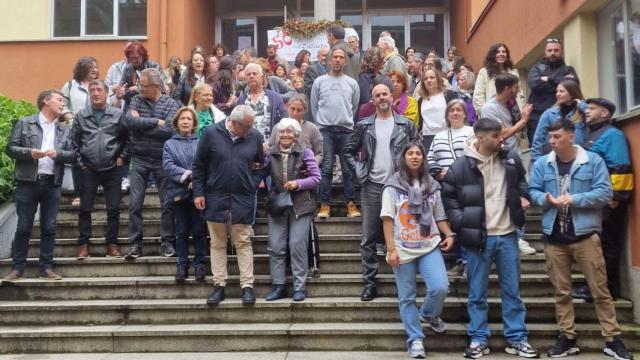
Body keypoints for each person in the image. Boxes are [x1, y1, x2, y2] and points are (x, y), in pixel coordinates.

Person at [528, 119, 634, 360]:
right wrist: (546, 198)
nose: (551, 141)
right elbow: (532, 191)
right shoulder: (543, 164)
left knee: (600, 290)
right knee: (561, 292)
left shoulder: (592, 160)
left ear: (571, 136)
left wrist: (574, 199)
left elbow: (605, 192)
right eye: (550, 137)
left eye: (556, 137)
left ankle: (612, 339)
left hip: (585, 236)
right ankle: (568, 337)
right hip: (554, 237)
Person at [441, 117, 539, 359]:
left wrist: (524, 197)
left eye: (501, 135)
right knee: (476, 293)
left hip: (507, 235)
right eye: (496, 136)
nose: (501, 139)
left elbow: (523, 185)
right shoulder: (460, 167)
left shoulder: (512, 159)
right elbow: (449, 200)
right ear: (480, 137)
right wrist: (463, 222)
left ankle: (517, 338)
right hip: (479, 239)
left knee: (512, 291)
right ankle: (478, 338)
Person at [345, 83, 420, 301]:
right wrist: (360, 171)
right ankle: (369, 283)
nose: (381, 97)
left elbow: (417, 151)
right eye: (377, 95)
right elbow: (348, 150)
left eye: (384, 93)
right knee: (368, 237)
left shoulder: (405, 125)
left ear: (391, 96)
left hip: (400, 186)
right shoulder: (364, 125)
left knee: (404, 233)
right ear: (373, 99)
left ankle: (405, 283)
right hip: (372, 186)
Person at [381, 142, 453, 359]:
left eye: (418, 153)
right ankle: (415, 339)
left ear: (424, 157)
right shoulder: (392, 186)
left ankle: (429, 314)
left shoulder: (432, 185)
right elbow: (387, 218)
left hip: (429, 245)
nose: (414, 156)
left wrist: (449, 234)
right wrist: (391, 249)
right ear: (403, 158)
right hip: (402, 248)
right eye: (410, 153)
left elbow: (438, 216)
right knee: (407, 297)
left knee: (440, 287)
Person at [192, 105, 264, 306]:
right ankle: (219, 285)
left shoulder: (254, 137)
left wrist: (252, 184)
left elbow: (262, 164)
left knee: (243, 242)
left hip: (242, 198)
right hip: (215, 197)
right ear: (234, 122)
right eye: (247, 127)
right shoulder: (211, 133)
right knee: (217, 243)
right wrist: (198, 192)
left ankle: (247, 286)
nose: (250, 131)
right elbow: (198, 165)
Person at [3, 90, 75, 281]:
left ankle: (46, 268)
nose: (62, 105)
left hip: (52, 182)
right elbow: (10, 149)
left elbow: (73, 155)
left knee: (49, 227)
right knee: (24, 226)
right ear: (46, 101)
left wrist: (57, 154)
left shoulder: (63, 129)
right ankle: (17, 269)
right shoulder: (25, 122)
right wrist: (29, 153)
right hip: (28, 182)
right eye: (59, 100)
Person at [575, 97, 634, 302]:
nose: (587, 111)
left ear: (605, 114)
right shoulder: (591, 133)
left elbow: (621, 166)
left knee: (607, 244)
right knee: (594, 244)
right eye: (587, 107)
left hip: (607, 200)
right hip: (593, 199)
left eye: (592, 108)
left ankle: (607, 288)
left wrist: (616, 197)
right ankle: (593, 285)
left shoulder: (613, 134)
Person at [124, 68, 180, 259]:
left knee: (167, 203)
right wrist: (156, 121)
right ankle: (135, 244)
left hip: (162, 159)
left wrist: (143, 125)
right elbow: (130, 122)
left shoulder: (171, 103)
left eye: (144, 86)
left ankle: (167, 242)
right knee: (135, 204)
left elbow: (170, 130)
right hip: (138, 158)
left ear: (156, 86)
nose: (140, 88)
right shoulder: (136, 100)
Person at [264, 118, 321, 302]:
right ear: (278, 134)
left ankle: (299, 287)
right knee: (275, 246)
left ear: (296, 134)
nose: (286, 135)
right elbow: (260, 171)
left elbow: (316, 177)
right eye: (282, 132)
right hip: (278, 204)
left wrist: (298, 183)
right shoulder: (270, 153)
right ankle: (278, 285)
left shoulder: (306, 153)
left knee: (297, 245)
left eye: (290, 132)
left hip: (301, 204)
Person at [480, 73, 536, 256]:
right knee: (508, 195)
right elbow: (501, 134)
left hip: (514, 155)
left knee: (521, 195)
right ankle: (516, 238)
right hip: (499, 157)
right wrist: (524, 120)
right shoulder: (490, 109)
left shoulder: (511, 105)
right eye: (515, 87)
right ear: (506, 89)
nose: (518, 89)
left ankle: (519, 235)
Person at [72, 80, 128, 260]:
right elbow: (74, 143)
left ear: (106, 93)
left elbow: (128, 139)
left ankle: (112, 244)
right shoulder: (81, 116)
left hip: (113, 168)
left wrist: (122, 157)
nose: (95, 93)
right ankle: (83, 245)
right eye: (92, 90)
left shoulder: (118, 114)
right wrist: (81, 163)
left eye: (99, 90)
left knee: (113, 209)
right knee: (85, 209)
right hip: (88, 169)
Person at [311, 47, 361, 219]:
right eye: (335, 57)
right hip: (325, 130)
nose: (338, 60)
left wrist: (345, 119)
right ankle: (325, 205)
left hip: (346, 130)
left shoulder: (352, 83)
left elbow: (353, 107)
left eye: (341, 57)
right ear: (329, 60)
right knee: (326, 168)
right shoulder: (319, 82)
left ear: (345, 61)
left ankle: (351, 204)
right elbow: (314, 106)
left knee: (348, 169)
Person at [427, 100, 474, 277]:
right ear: (447, 114)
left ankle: (469, 260)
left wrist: (454, 172)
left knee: (465, 222)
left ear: (464, 114)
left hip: (466, 185)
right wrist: (437, 171)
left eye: (459, 110)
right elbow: (430, 158)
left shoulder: (472, 133)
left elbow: (476, 157)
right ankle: (460, 260)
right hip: (444, 187)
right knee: (452, 222)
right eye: (452, 110)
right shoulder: (439, 136)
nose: (455, 113)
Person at [162, 107, 207, 283]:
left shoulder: (201, 142)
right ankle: (182, 265)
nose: (186, 122)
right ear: (177, 122)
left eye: (189, 119)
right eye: (182, 119)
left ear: (194, 123)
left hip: (198, 193)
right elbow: (168, 166)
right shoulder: (169, 144)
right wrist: (189, 175)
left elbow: (205, 164)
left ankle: (200, 265)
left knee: (199, 231)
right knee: (180, 232)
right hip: (179, 193)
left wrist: (195, 181)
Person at [61, 56, 99, 207]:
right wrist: (70, 118)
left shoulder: (99, 86)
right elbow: (62, 104)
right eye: (91, 68)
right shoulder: (70, 85)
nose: (95, 70)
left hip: (95, 130)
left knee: (93, 162)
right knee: (77, 162)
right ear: (82, 69)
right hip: (75, 130)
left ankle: (92, 193)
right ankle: (78, 194)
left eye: (96, 67)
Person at [527, 38, 578, 146]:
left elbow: (573, 84)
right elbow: (535, 84)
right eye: (549, 50)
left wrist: (548, 79)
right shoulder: (536, 69)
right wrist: (560, 81)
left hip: (562, 116)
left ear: (561, 51)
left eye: (556, 50)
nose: (552, 53)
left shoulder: (568, 69)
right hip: (537, 117)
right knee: (539, 148)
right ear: (545, 52)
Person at [530, 79, 587, 164]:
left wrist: (581, 104)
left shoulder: (582, 113)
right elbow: (538, 141)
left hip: (578, 160)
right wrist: (536, 163)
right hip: (553, 160)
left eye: (561, 91)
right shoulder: (549, 114)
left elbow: (594, 116)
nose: (557, 94)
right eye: (557, 91)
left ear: (572, 93)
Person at [236, 63, 288, 141]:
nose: (251, 76)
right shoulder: (241, 100)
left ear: (262, 77)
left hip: (270, 146)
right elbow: (236, 125)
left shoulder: (274, 97)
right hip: (247, 146)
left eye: (254, 73)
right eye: (248, 74)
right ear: (245, 79)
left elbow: (285, 120)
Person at [473, 43, 524, 113]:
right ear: (492, 55)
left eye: (504, 52)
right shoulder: (484, 72)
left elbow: (519, 93)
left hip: (513, 112)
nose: (501, 54)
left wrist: (521, 111)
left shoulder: (514, 72)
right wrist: (485, 113)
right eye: (498, 52)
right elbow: (478, 96)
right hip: (493, 113)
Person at [417, 69, 459, 151]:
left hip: (447, 135)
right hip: (427, 139)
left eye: (432, 77)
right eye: (426, 79)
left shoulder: (449, 95)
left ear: (438, 80)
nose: (429, 80)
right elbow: (420, 121)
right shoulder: (421, 100)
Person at [114, 41, 163, 111]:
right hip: (132, 105)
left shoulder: (154, 66)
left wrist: (138, 89)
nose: (134, 60)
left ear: (143, 55)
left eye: (136, 58)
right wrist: (120, 90)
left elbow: (160, 88)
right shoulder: (127, 69)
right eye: (131, 58)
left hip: (151, 106)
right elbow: (123, 88)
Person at [357, 47, 386, 114]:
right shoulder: (364, 79)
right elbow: (366, 102)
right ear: (375, 61)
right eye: (382, 59)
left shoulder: (380, 76)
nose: (384, 61)